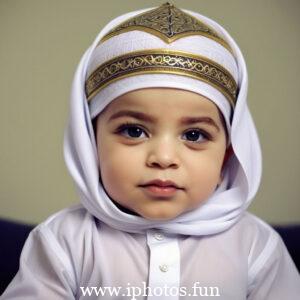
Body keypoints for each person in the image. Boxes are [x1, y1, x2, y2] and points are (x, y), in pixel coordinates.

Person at [2, 2, 300, 299]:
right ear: (90, 142)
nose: (164, 158)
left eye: (194, 135)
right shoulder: (63, 242)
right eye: (134, 131)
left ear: (227, 154)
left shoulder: (255, 247)